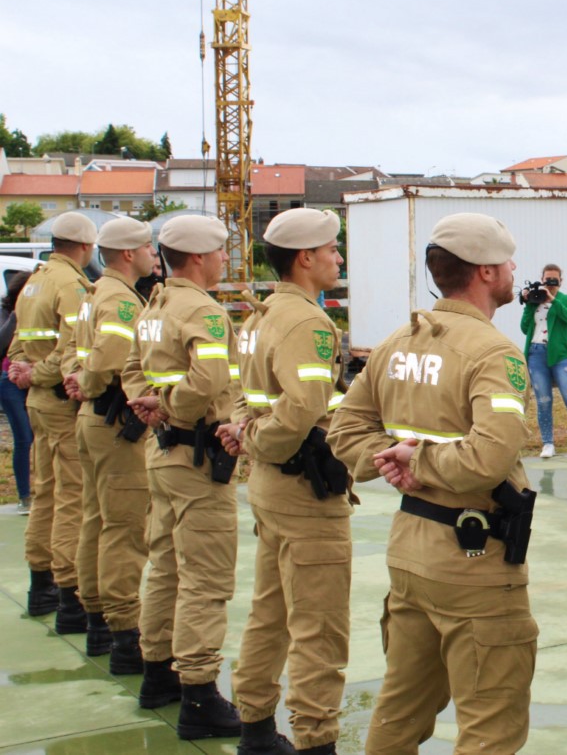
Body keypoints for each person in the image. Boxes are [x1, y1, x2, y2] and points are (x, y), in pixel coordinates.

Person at [328, 212, 539, 755]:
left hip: (411, 554)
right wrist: (413, 464)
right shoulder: (494, 353)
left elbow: (346, 427)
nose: (515, 267)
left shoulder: (399, 342)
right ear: (487, 272)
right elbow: (490, 456)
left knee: (401, 708)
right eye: (507, 259)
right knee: (490, 723)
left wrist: (389, 462)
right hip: (474, 563)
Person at [224, 208, 350, 755]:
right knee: (318, 626)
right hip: (302, 492)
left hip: (272, 485)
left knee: (271, 610)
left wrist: (242, 430)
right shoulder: (308, 323)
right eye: (332, 249)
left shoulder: (260, 317)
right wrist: (253, 438)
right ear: (306, 258)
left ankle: (255, 724)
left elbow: (239, 388)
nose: (338, 258)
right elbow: (301, 410)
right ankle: (315, 739)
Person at [122, 216, 242, 740]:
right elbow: (210, 378)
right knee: (205, 577)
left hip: (163, 452)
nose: (223, 262)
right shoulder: (201, 309)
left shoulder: (156, 304)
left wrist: (149, 404)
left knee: (167, 565)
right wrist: (170, 407)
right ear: (199, 257)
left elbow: (130, 367)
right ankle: (198, 692)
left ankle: (158, 675)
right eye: (220, 253)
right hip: (194, 454)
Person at [62, 217, 156, 672]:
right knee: (123, 526)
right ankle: (122, 632)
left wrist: (80, 379)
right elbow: (110, 358)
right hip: (112, 420)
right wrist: (89, 380)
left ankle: (97, 616)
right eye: (147, 247)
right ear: (126, 254)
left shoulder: (97, 292)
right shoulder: (119, 298)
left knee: (96, 518)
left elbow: (79, 353)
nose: (153, 254)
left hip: (92, 419)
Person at [9, 212, 96, 628]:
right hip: (60, 400)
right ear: (84, 247)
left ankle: (39, 580)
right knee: (72, 496)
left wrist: (25, 372)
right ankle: (68, 590)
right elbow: (74, 348)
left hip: (37, 401)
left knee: (45, 491)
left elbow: (15, 343)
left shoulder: (35, 282)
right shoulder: (71, 286)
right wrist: (41, 374)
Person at [520, 263, 567, 459]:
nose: (550, 283)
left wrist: (553, 300)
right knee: (543, 401)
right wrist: (528, 304)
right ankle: (548, 443)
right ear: (541, 279)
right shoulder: (535, 299)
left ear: (561, 281)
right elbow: (525, 328)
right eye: (547, 279)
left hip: (560, 355)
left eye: (554, 280)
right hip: (536, 353)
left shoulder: (566, 299)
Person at [0, 271, 33, 515]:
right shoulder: (6, 314)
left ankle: (41, 490)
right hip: (8, 381)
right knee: (23, 436)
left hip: (34, 379)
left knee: (38, 434)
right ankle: (24, 495)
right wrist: (15, 317)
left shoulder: (39, 315)